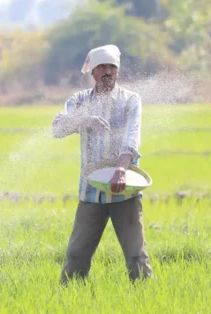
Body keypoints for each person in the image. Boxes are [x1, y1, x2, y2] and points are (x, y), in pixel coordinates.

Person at [52, 44, 153, 285]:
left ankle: (146, 301)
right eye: (101, 67)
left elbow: (132, 136)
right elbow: (57, 128)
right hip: (90, 193)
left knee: (136, 256)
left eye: (112, 67)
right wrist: (84, 119)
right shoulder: (79, 100)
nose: (107, 71)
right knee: (76, 256)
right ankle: (68, 301)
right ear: (92, 72)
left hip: (124, 192)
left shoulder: (130, 100)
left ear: (117, 71)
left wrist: (121, 169)